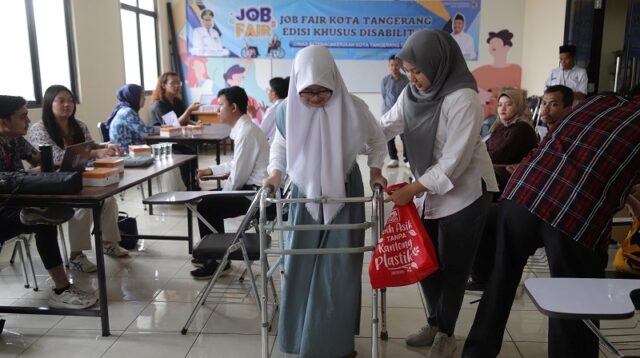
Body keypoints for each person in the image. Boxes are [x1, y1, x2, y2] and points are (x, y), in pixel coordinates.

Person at [462, 92, 640, 358]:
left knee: (500, 279)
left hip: (523, 191)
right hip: (574, 212)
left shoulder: (600, 100)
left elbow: (587, 156)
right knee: (574, 301)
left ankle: (476, 353)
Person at [262, 45, 387, 358]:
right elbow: (279, 146)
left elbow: (378, 141)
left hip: (346, 192)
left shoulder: (354, 108)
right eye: (308, 92)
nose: (315, 99)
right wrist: (275, 174)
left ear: (335, 82)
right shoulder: (287, 109)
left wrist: (375, 172)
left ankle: (333, 345)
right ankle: (297, 339)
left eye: (323, 92)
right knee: (299, 265)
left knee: (340, 270)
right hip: (304, 194)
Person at [379, 29, 497, 358]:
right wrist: (350, 135)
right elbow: (387, 125)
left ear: (439, 63)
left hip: (466, 191)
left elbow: (452, 164)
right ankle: (434, 321)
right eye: (408, 71)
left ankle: (446, 333)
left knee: (454, 264)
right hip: (428, 190)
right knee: (425, 259)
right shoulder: (411, 95)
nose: (412, 78)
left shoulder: (463, 99)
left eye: (418, 71)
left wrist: (412, 189)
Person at [0, 95, 97, 309]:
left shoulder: (15, 140)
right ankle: (62, 290)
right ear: (2, 123)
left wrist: (70, 162)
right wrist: (30, 174)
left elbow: (40, 161)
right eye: (23, 116)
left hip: (15, 202)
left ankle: (34, 213)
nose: (28, 121)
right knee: (41, 219)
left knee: (41, 217)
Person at [27, 85, 129, 272]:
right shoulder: (39, 128)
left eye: (70, 100)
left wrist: (107, 145)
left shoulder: (79, 125)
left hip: (80, 177)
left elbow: (90, 146)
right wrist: (93, 153)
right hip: (53, 183)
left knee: (108, 200)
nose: (67, 105)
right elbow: (55, 158)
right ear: (50, 103)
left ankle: (108, 243)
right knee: (84, 206)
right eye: (61, 100)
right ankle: (76, 256)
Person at [190, 86, 270, 279]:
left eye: (220, 105)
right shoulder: (244, 129)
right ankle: (214, 254)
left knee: (207, 206)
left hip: (255, 195)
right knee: (209, 202)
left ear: (233, 107)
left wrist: (219, 194)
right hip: (253, 190)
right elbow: (236, 164)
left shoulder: (246, 133)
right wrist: (212, 171)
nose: (217, 110)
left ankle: (217, 260)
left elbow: (238, 177)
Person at [467, 87, 538, 290]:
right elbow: (486, 155)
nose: (503, 108)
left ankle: (482, 276)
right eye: (500, 104)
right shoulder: (500, 128)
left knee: (476, 215)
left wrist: (486, 162)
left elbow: (492, 156)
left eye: (509, 104)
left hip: (512, 191)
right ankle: (480, 274)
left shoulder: (522, 130)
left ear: (519, 106)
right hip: (499, 184)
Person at [149, 72, 201, 190]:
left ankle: (193, 183)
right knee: (186, 152)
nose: (177, 86)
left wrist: (195, 123)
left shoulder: (177, 101)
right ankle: (190, 186)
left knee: (192, 148)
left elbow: (184, 120)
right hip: (162, 142)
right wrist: (189, 110)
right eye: (173, 83)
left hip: (177, 138)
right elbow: (173, 125)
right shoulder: (159, 105)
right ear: (163, 85)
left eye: (179, 83)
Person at [471, 29, 522, 117]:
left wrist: (492, 95)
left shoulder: (516, 70)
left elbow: (517, 95)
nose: (492, 46)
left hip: (506, 118)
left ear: (507, 47)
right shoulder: (479, 71)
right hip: (482, 118)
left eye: (496, 44)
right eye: (491, 44)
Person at [107, 84, 156, 152]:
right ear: (134, 97)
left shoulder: (125, 109)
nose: (144, 98)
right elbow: (145, 132)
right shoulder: (127, 112)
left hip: (133, 150)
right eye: (142, 95)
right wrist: (162, 128)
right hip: (126, 153)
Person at [381, 54, 410, 168]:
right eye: (392, 65)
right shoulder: (385, 80)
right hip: (388, 111)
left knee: (405, 137)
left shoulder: (407, 79)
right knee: (389, 137)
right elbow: (384, 96)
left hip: (403, 113)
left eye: (396, 65)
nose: (394, 67)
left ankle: (407, 159)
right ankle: (394, 159)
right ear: (389, 66)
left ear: (400, 66)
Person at [258, 77, 289, 143]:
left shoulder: (273, 109)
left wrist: (254, 116)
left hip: (273, 147)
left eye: (269, 90)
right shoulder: (286, 105)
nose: (268, 92)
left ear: (274, 93)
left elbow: (261, 134)